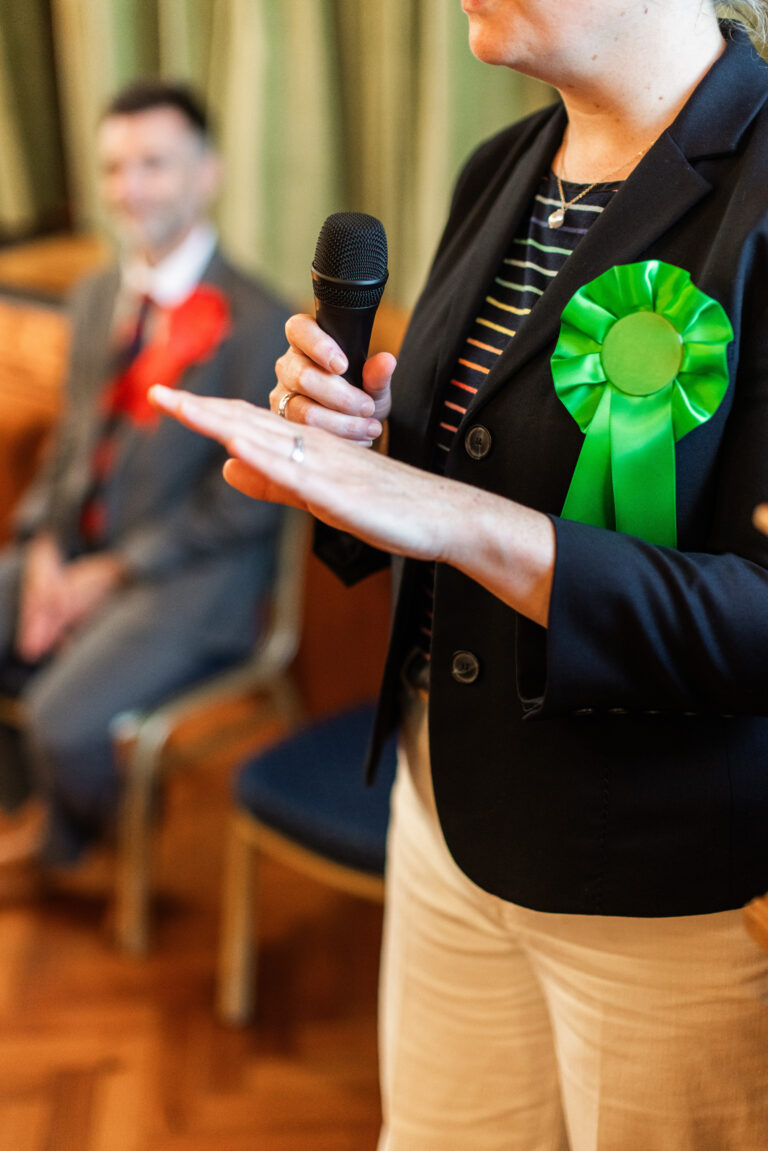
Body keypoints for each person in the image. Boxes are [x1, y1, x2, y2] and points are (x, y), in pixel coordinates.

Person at [152, 4, 768, 1148]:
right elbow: (450, 484)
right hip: (446, 821)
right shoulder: (503, 167)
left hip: (661, 891)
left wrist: (447, 512)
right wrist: (354, 458)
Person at [0, 79, 289, 874]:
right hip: (80, 549)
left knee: (60, 717)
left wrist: (108, 572)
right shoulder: (98, 296)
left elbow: (244, 504)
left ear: (207, 174)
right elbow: (71, 444)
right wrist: (44, 552)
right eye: (114, 168)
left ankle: (70, 842)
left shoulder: (261, 322)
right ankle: (32, 799)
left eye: (153, 165)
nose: (128, 190)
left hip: (190, 577)